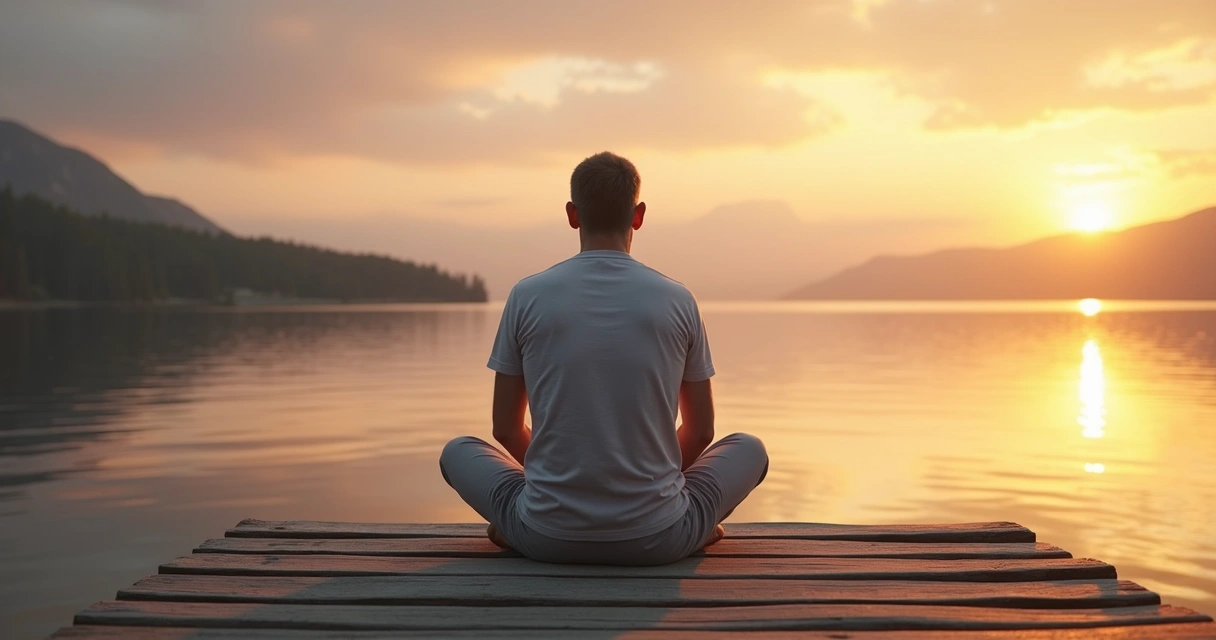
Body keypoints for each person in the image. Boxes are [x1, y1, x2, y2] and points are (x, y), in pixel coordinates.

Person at [439, 151, 768, 565]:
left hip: (546, 536)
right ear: (639, 215)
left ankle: (521, 525)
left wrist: (560, 481)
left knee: (458, 450)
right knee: (749, 448)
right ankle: (695, 526)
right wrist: (650, 483)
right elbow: (701, 432)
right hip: (658, 538)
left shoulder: (526, 295)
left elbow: (505, 428)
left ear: (573, 214)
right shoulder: (677, 299)